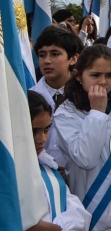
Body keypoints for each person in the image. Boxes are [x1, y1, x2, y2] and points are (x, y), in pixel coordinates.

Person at [52, 44, 111, 231]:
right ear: (78, 76)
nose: (103, 82)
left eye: (110, 75)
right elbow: (85, 158)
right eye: (95, 75)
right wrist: (97, 112)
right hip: (94, 208)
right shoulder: (65, 114)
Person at [26, 90, 92, 231]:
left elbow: (80, 220)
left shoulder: (48, 168)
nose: (42, 139)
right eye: (33, 131)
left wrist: (45, 230)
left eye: (46, 129)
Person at [30, 26, 85, 166]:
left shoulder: (87, 96)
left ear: (73, 59)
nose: (47, 60)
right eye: (42, 55)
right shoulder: (28, 97)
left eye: (55, 54)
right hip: (42, 177)